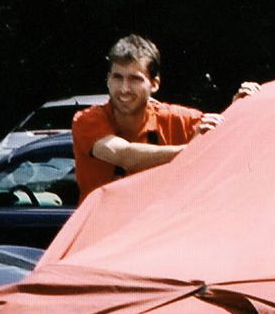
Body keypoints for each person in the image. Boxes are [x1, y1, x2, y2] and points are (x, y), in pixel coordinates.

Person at [71, 34, 222, 202]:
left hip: (158, 226)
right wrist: (188, 151)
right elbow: (124, 155)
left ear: (155, 84)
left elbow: (227, 131)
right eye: (117, 77)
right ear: (107, 80)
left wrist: (242, 104)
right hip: (103, 227)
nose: (124, 89)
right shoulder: (87, 120)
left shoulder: (177, 119)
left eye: (135, 79)